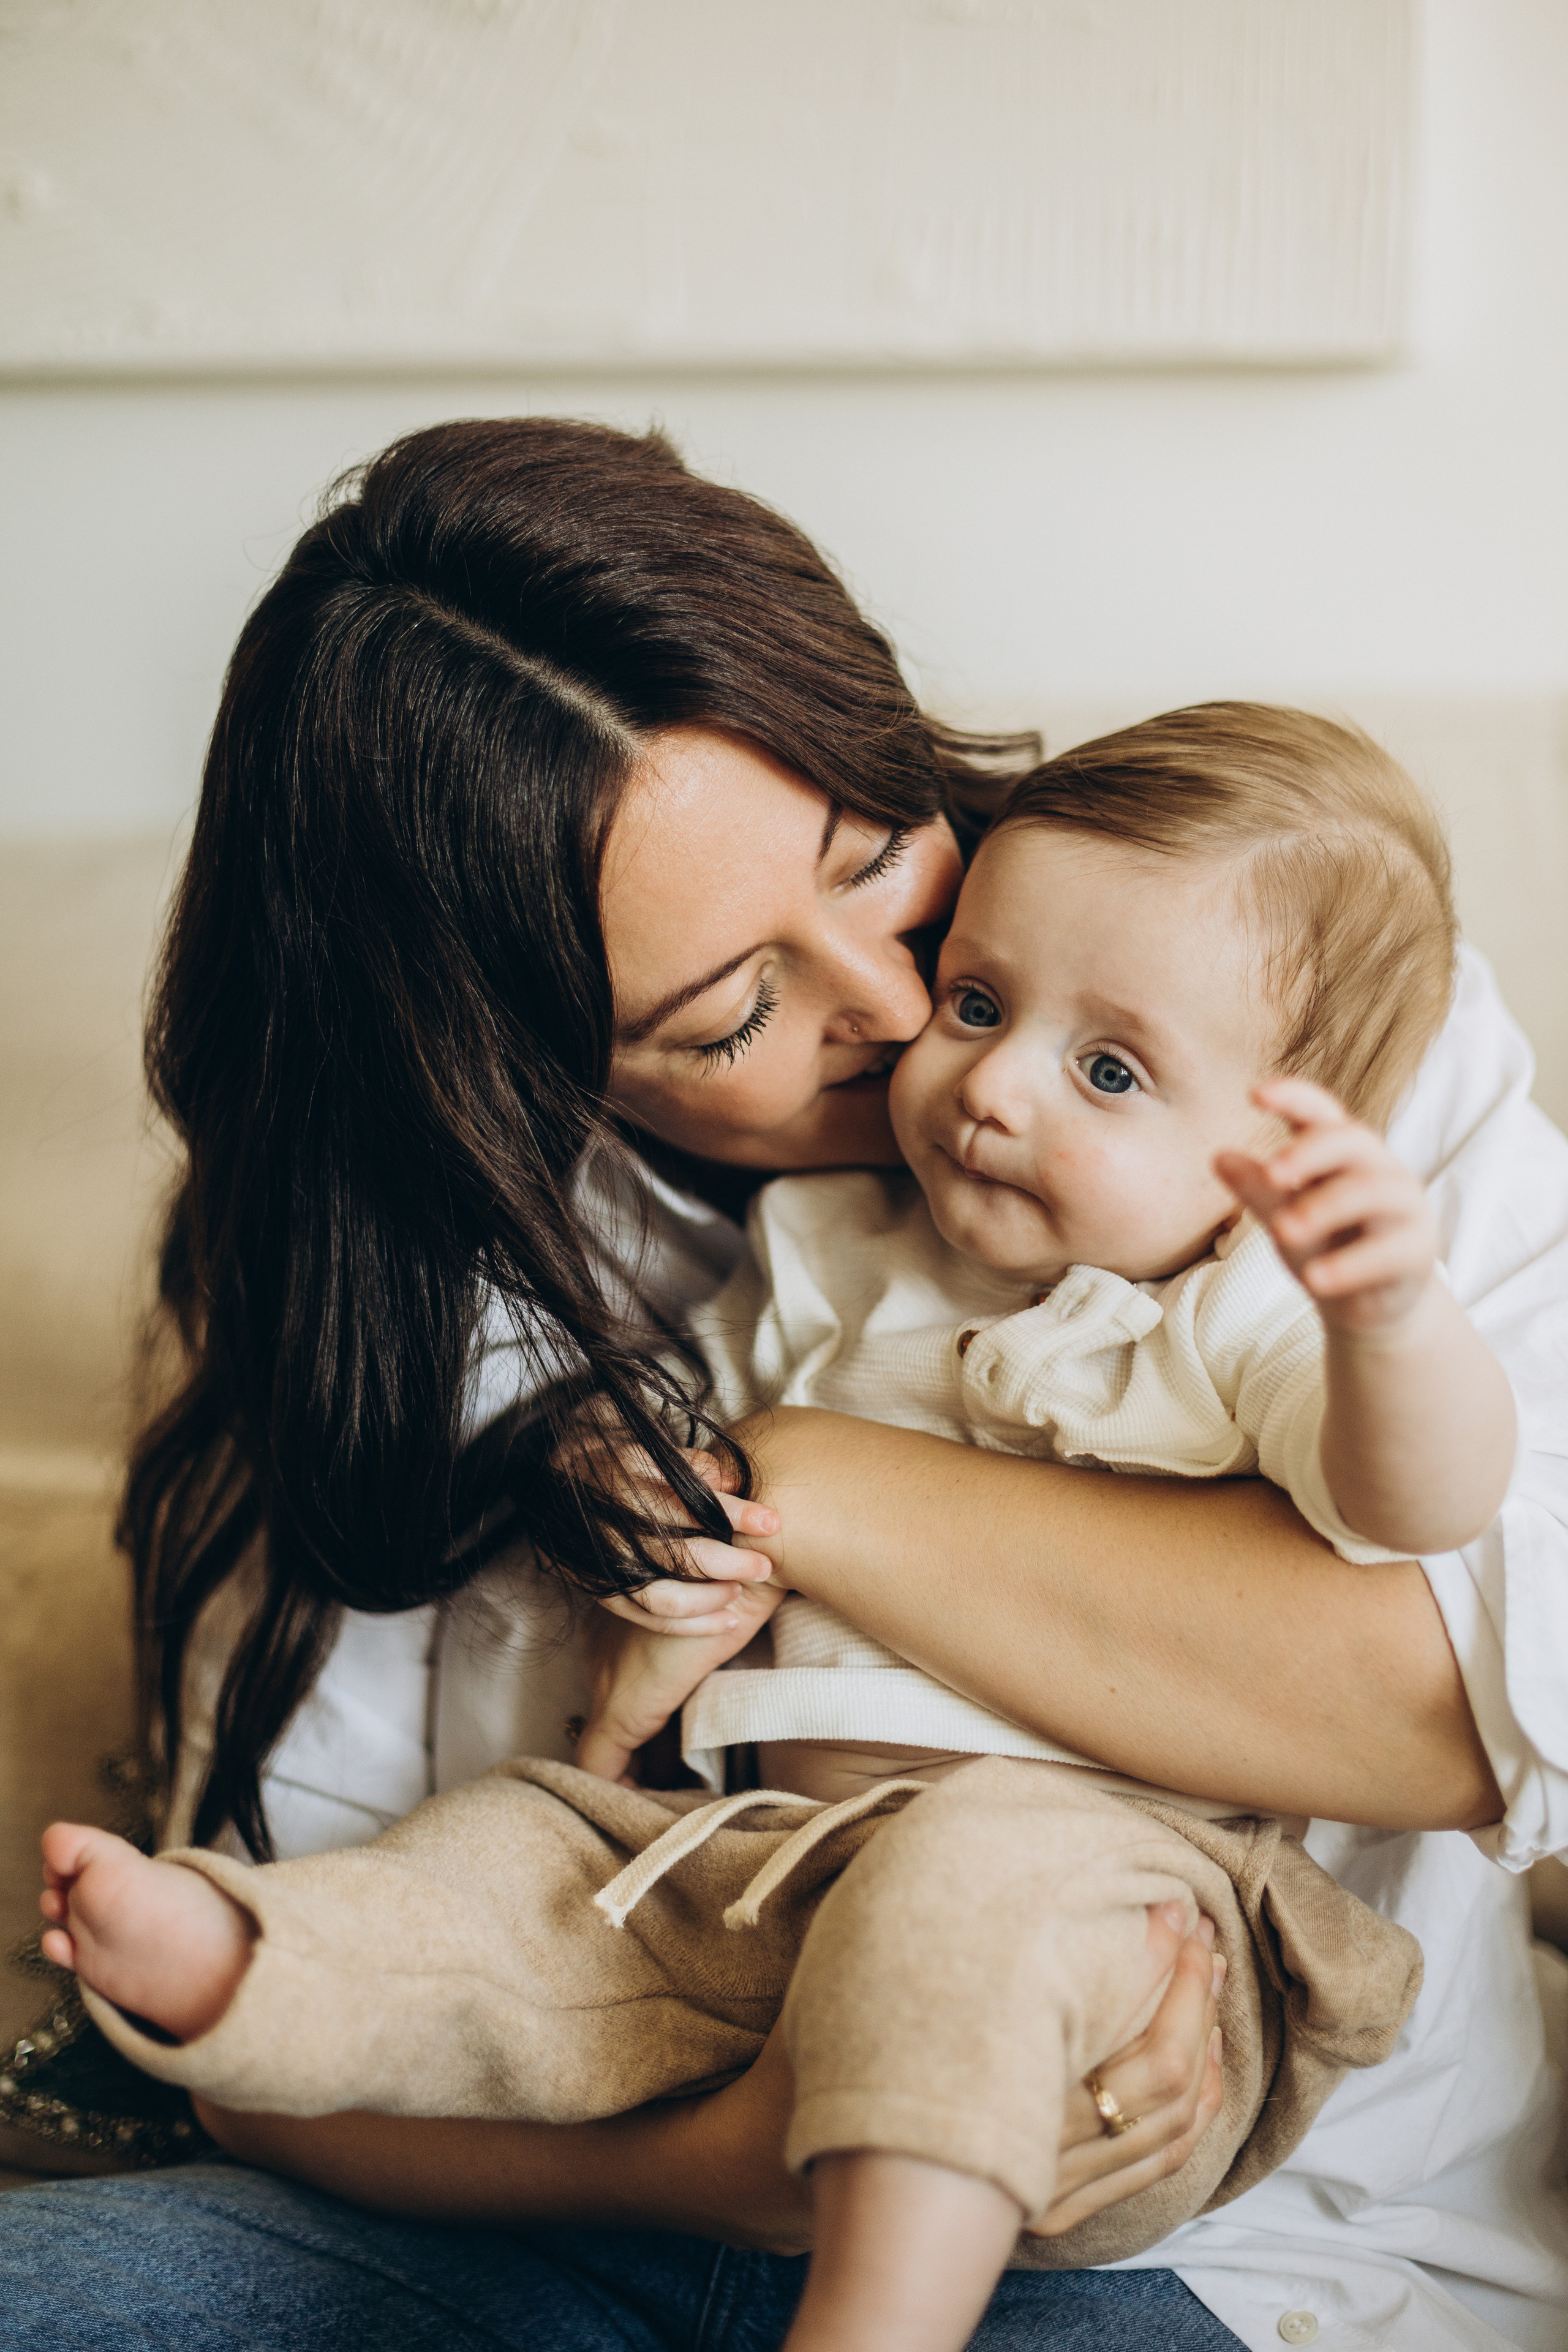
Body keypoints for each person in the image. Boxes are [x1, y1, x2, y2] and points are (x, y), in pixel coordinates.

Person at [0, 420, 1563, 2352]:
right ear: (517, 1072)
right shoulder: (440, 1285)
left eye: (879, 858)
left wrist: (808, 1479)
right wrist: (730, 2159)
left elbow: (1456, 1703)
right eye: (734, 1007)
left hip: (1185, 2247)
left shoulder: (1276, 1019)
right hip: (583, 2179)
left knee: (984, 1906)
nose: (918, 1017)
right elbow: (302, 2066)